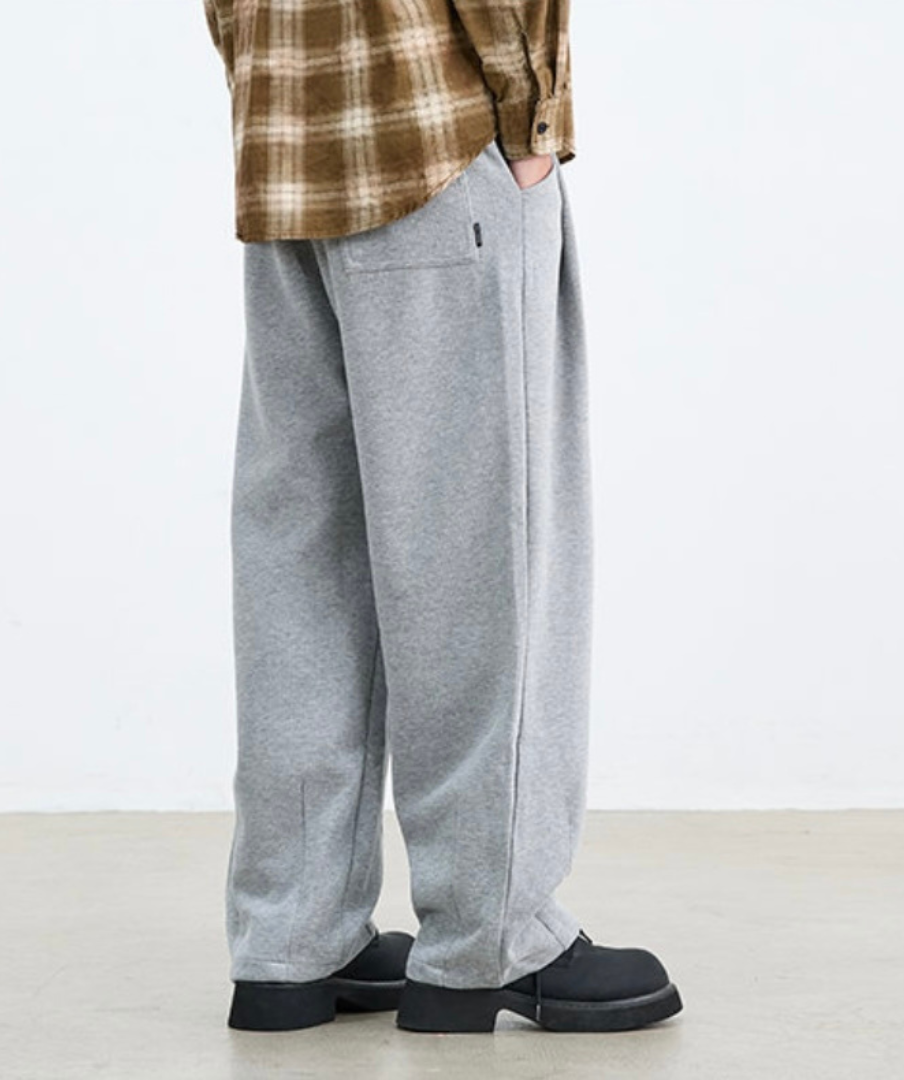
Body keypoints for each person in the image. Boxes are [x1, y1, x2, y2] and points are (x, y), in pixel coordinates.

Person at [201, 0, 683, 1034]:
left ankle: (291, 940)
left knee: (303, 558)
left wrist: (262, 89)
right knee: (479, 554)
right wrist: (534, 119)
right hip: (437, 143)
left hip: (285, 156)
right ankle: (491, 938)